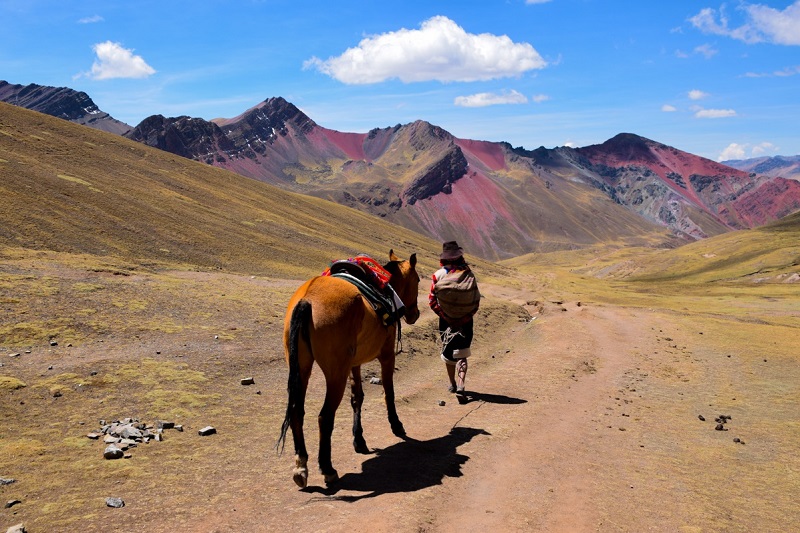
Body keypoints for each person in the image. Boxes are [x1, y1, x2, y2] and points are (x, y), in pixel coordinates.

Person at [429, 241, 480, 400]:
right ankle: (460, 384)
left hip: (446, 322)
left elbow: (432, 301)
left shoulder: (438, 275)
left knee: (448, 353)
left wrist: (447, 318)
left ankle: (452, 383)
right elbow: (475, 301)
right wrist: (464, 318)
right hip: (465, 321)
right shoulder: (469, 275)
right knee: (462, 354)